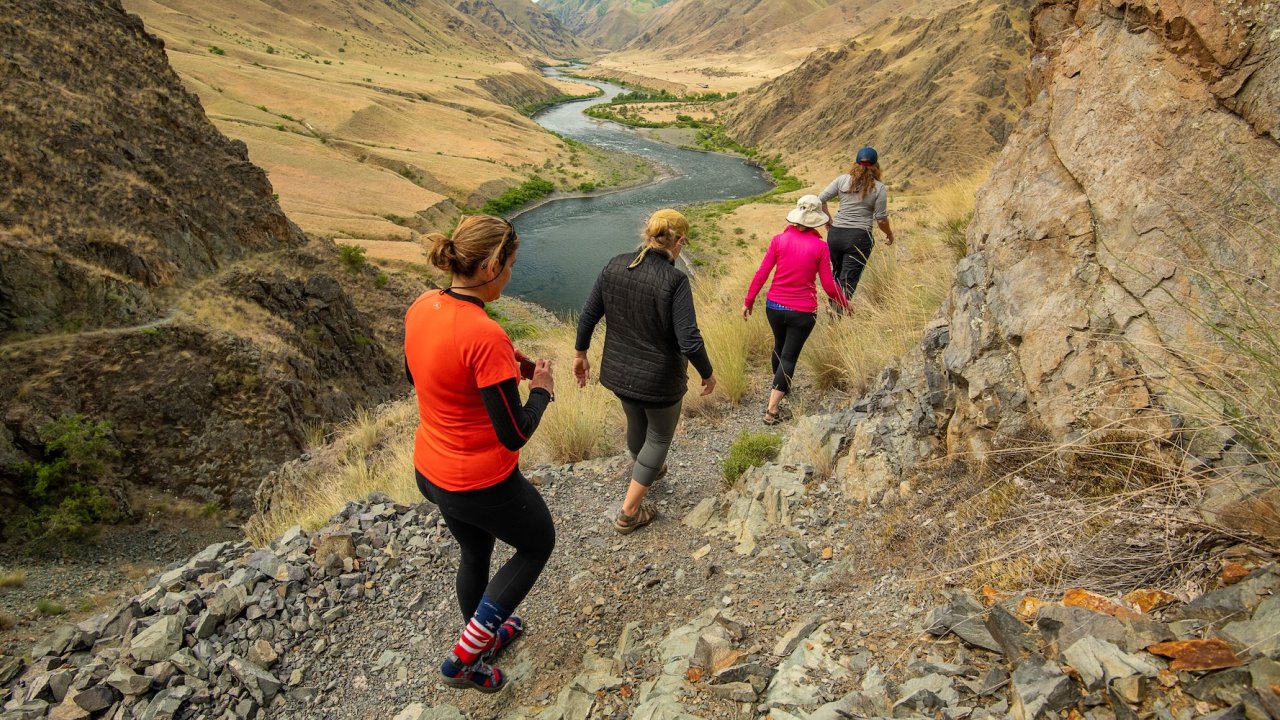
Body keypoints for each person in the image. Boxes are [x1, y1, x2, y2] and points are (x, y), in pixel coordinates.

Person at [404, 214, 556, 694]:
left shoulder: (423, 305)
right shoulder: (485, 334)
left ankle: (483, 633)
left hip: (430, 468)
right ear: (491, 264)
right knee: (536, 544)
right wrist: (542, 390)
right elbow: (514, 433)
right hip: (478, 481)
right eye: (510, 266)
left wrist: (505, 369)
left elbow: (420, 377)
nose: (510, 276)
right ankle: (464, 661)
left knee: (475, 550)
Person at [573, 208, 716, 535]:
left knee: (636, 420)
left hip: (619, 373)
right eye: (684, 242)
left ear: (648, 236)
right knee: (660, 436)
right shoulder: (675, 280)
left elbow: (589, 313)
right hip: (659, 379)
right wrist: (707, 373)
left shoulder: (614, 264)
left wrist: (580, 353)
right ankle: (629, 512)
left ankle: (646, 468)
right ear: (678, 242)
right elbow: (689, 339)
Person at [742, 195, 849, 425]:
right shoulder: (820, 247)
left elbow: (762, 273)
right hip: (803, 312)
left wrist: (748, 301)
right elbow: (829, 286)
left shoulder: (778, 240)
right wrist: (845, 304)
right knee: (789, 357)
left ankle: (780, 386)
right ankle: (772, 410)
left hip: (774, 307)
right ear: (816, 220)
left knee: (779, 348)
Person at [818, 146, 896, 310]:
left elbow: (820, 200)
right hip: (859, 237)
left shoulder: (841, 180)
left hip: (835, 235)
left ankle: (833, 307)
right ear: (876, 166)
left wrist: (828, 221)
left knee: (837, 274)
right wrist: (889, 234)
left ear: (855, 164)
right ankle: (836, 318)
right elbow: (881, 220)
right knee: (849, 278)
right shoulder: (879, 188)